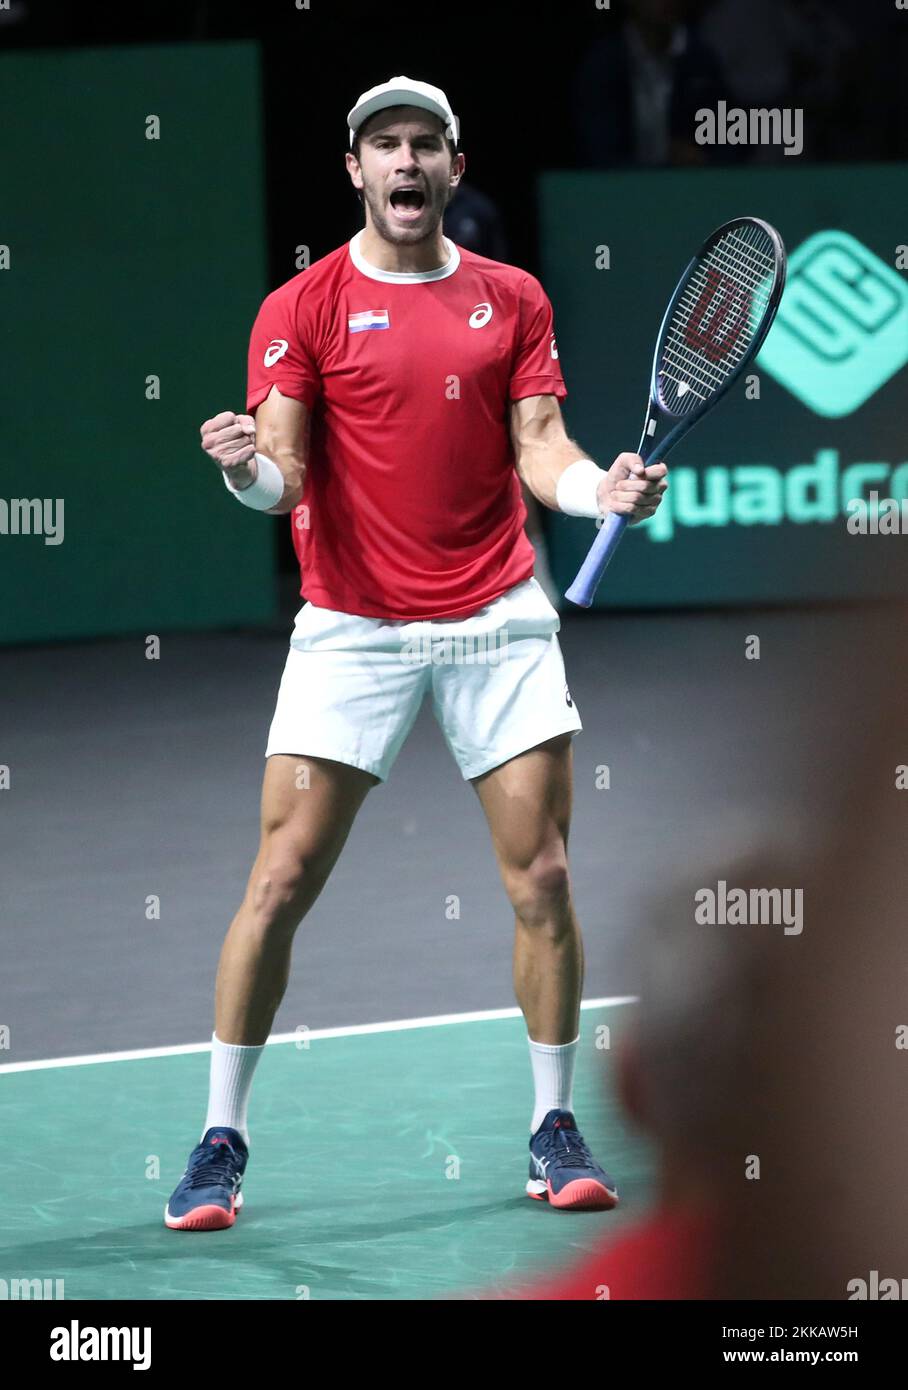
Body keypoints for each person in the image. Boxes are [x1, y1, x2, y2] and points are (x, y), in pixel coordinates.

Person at [164, 75, 668, 1231]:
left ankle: (550, 1126)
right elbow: (280, 475)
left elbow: (539, 449)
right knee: (279, 879)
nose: (404, 162)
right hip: (351, 625)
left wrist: (601, 491)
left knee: (540, 876)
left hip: (497, 615)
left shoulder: (512, 298)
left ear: (452, 165)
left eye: (423, 145)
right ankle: (219, 1137)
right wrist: (242, 467)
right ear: (354, 168)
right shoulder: (301, 306)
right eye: (383, 145)